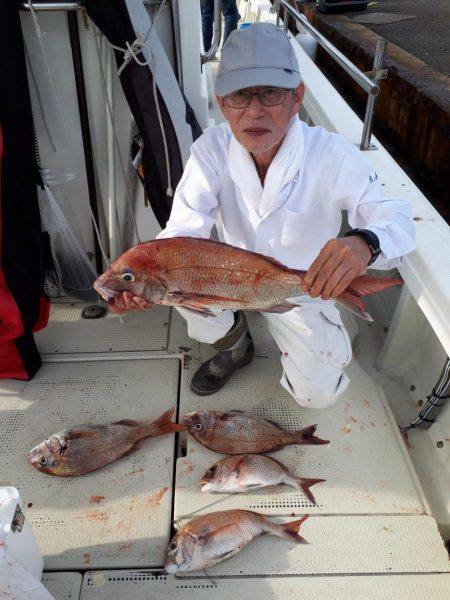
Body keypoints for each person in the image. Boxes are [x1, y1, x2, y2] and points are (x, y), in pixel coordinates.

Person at [110, 23, 415, 409]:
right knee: (188, 304)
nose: (255, 110)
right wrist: (140, 282)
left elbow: (394, 213)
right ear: (223, 104)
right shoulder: (210, 151)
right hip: (222, 279)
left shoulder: (332, 154)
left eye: (270, 93)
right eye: (240, 95)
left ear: (297, 96)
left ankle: (313, 335)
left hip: (302, 288)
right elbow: (181, 233)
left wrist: (365, 243)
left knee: (317, 395)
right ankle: (236, 343)